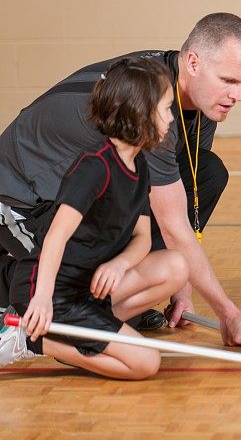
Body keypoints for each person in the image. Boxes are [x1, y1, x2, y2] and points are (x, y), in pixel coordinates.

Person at [0, 13, 241, 345]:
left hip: (82, 196)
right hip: (21, 198)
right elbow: (172, 224)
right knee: (59, 285)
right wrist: (228, 313)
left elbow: (180, 196)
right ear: (192, 62)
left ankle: (105, 304)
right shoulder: (149, 108)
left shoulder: (199, 100)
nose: (237, 96)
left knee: (208, 172)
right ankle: (22, 309)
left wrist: (181, 289)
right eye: (228, 80)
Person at [0, 58, 186, 379]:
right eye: (166, 109)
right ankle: (32, 340)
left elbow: (142, 237)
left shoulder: (139, 166)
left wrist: (120, 264)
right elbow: (56, 234)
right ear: (140, 113)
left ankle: (82, 331)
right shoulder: (94, 166)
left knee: (176, 266)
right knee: (145, 363)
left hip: (88, 288)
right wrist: (42, 298)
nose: (172, 118)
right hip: (53, 291)